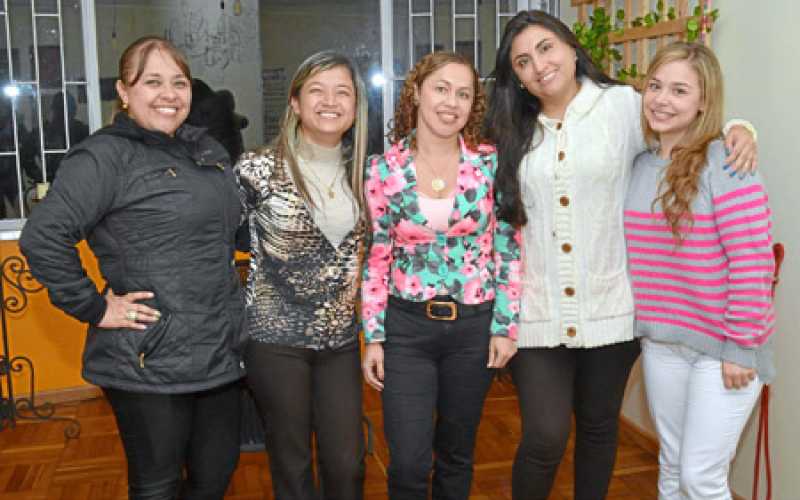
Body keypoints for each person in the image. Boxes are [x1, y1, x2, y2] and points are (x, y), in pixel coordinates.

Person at [484, 10, 759, 500]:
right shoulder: (511, 130)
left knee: (598, 428)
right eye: (522, 61)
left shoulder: (622, 106)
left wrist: (739, 127)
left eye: (546, 47)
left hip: (611, 311)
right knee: (544, 436)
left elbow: (683, 118)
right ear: (518, 78)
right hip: (539, 311)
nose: (539, 65)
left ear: (570, 47)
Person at [19, 36, 245, 500]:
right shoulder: (104, 156)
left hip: (219, 352)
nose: (169, 94)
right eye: (153, 81)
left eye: (178, 83)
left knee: (213, 480)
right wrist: (95, 308)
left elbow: (228, 232)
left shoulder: (206, 152)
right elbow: (43, 236)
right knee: (158, 487)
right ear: (124, 91)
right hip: (149, 358)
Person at [360, 51, 521, 500]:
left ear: (474, 105)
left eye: (464, 93)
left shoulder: (491, 164)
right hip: (407, 330)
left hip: (472, 329)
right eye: (441, 88)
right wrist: (373, 335)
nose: (451, 102)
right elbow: (376, 258)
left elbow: (509, 248)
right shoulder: (382, 170)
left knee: (456, 455)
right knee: (409, 463)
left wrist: (505, 326)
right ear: (416, 92)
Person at [626, 41, 775, 500]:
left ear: (703, 102)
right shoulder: (638, 164)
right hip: (662, 343)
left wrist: (740, 347)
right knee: (671, 469)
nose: (662, 99)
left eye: (679, 90)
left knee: (700, 478)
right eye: (655, 86)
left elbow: (752, 259)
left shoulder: (726, 163)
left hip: (723, 350)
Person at [234, 51, 368, 500]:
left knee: (347, 463)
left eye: (342, 91)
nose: (330, 101)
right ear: (295, 102)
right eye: (317, 90)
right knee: (292, 463)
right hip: (275, 340)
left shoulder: (367, 172)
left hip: (341, 340)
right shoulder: (255, 169)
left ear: (354, 106)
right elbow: (214, 242)